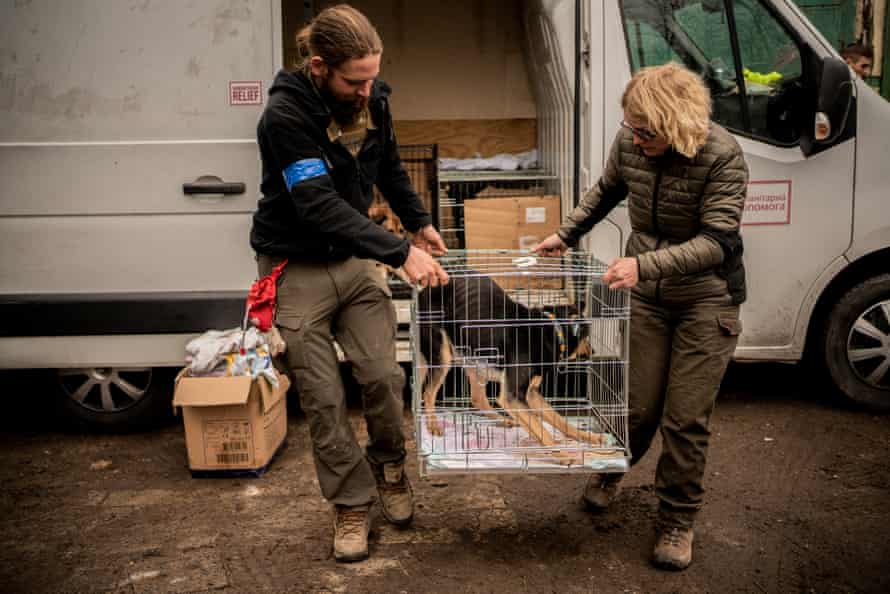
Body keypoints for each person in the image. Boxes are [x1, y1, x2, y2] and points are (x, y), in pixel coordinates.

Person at [250, 4, 449, 563]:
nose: (367, 92)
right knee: (323, 398)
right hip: (295, 266)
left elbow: (388, 166)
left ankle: (390, 466)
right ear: (319, 67)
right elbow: (317, 206)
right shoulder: (284, 117)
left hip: (355, 261)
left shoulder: (373, 98)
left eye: (372, 78)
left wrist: (419, 221)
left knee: (384, 376)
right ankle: (351, 503)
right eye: (354, 82)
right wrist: (399, 252)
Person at [534, 63, 747, 571]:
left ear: (675, 124)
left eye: (645, 132)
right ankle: (615, 466)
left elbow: (717, 241)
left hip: (706, 300)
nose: (634, 138)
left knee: (685, 420)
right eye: (630, 127)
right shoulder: (632, 141)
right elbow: (607, 189)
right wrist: (565, 233)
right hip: (648, 295)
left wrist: (642, 265)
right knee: (636, 407)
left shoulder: (723, 155)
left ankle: (677, 519)